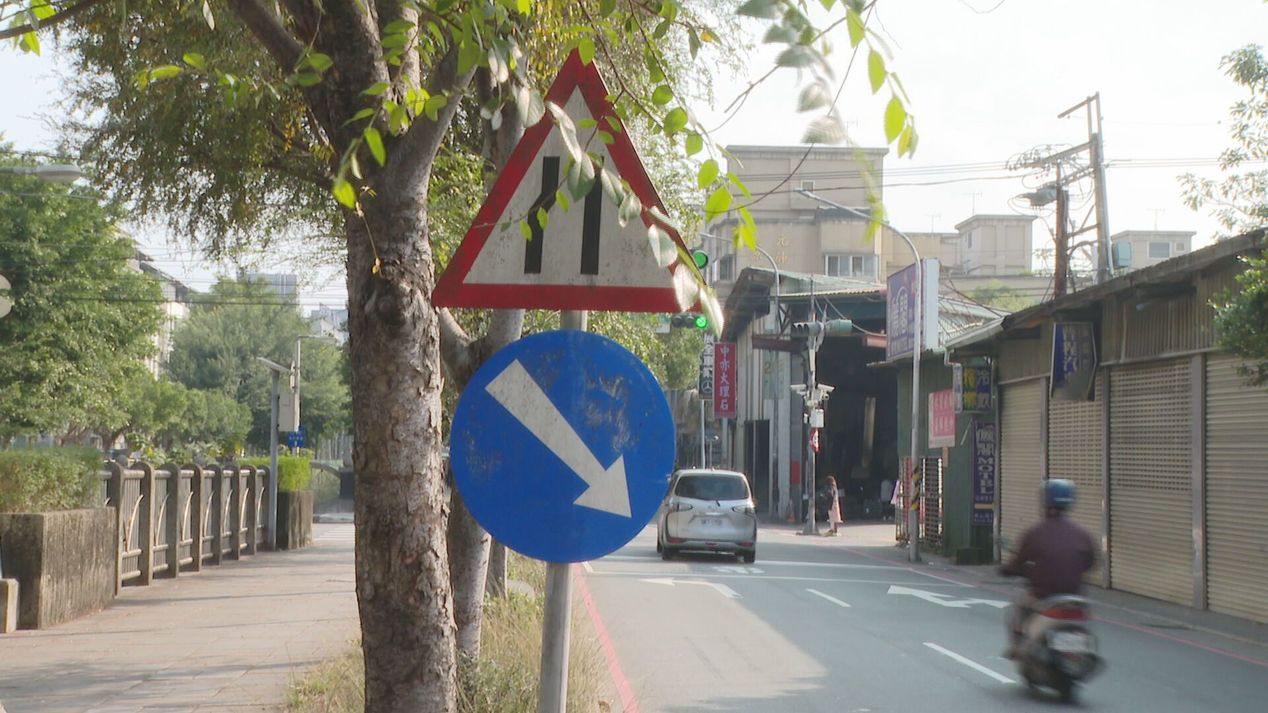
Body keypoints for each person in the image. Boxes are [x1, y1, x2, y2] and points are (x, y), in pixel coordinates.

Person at [999, 479, 1096, 658]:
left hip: (1043, 596)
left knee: (1020, 607)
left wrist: (1008, 570)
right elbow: (1091, 563)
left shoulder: (1035, 532)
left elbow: (1018, 562)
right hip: (1075, 597)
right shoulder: (1083, 534)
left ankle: (1017, 647)